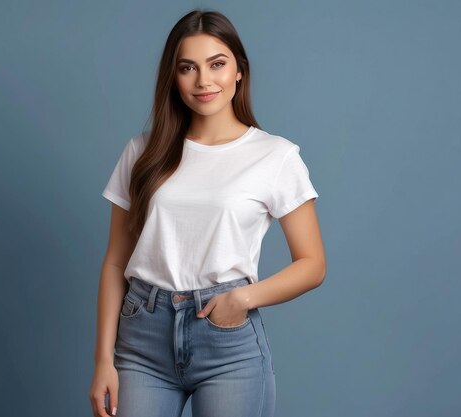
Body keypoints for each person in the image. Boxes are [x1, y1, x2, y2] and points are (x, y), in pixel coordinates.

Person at [89, 8, 326, 417]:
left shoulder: (275, 156)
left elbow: (312, 264)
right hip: (142, 335)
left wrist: (244, 298)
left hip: (226, 337)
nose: (203, 80)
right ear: (174, 77)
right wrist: (102, 361)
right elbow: (115, 262)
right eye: (188, 67)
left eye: (217, 64)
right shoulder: (143, 152)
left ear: (239, 71)